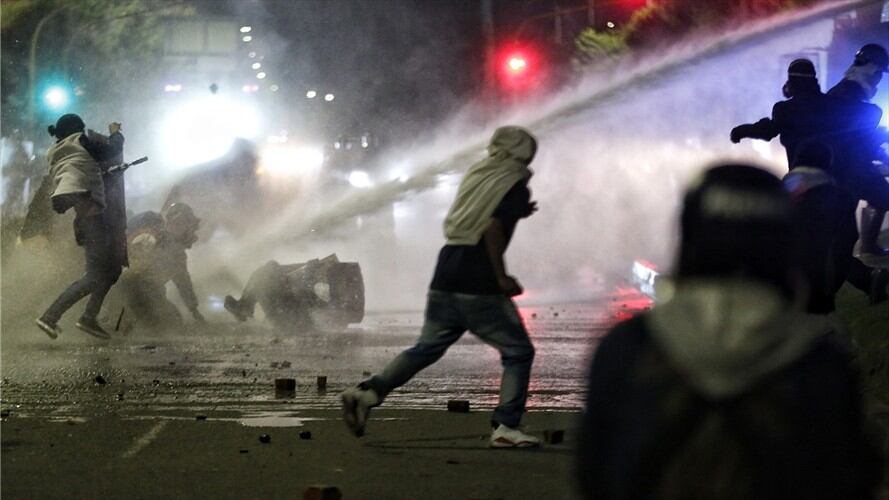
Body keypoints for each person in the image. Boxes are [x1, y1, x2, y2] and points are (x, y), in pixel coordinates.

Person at [577, 164, 878, 500]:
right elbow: (848, 479)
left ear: (688, 235)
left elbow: (596, 475)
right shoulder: (818, 362)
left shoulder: (627, 349)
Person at [340, 126, 540, 448]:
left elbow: (480, 214)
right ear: (523, 152)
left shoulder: (481, 172)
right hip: (478, 280)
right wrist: (501, 276)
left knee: (426, 348)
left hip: (446, 272)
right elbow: (491, 226)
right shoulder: (514, 180)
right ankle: (506, 426)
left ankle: (367, 393)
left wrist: (518, 211)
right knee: (518, 352)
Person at [36, 114, 126, 340]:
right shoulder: (81, 140)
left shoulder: (58, 151)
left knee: (112, 270)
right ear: (77, 129)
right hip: (93, 218)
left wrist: (107, 173)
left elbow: (80, 171)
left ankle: (89, 317)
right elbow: (111, 150)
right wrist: (116, 132)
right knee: (95, 276)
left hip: (87, 215)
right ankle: (50, 316)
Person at [826, 43, 889, 257]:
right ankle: (868, 249)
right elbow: (859, 136)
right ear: (871, 68)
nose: (880, 78)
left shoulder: (847, 89)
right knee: (883, 197)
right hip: (848, 165)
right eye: (879, 72)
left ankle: (866, 248)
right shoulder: (855, 97)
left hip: (843, 163)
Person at [223, 254, 364, 331]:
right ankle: (244, 306)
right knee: (265, 272)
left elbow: (302, 296)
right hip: (294, 320)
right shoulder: (323, 299)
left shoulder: (267, 280)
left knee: (264, 273)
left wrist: (308, 271)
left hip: (292, 322)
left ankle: (243, 307)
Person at [119, 203, 204, 329]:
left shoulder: (176, 251)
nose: (189, 231)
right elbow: (134, 271)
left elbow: (183, 283)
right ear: (173, 224)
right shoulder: (155, 240)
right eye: (182, 224)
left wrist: (194, 309)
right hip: (133, 289)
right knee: (167, 323)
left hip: (150, 292)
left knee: (174, 320)